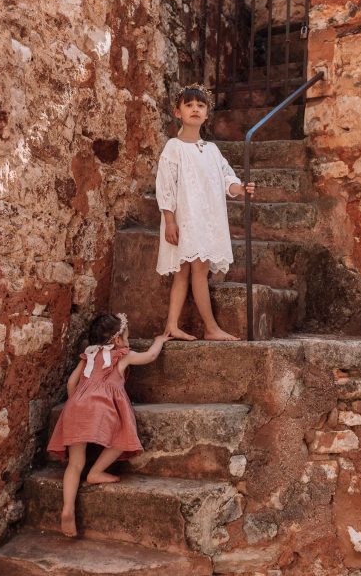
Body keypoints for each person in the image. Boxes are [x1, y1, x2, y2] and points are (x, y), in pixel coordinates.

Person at [47, 313, 171, 537]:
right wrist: (159, 341)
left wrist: (76, 404)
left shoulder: (88, 357)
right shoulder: (122, 355)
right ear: (117, 341)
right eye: (127, 336)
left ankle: (67, 508)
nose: (128, 340)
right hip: (102, 407)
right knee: (123, 437)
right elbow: (150, 357)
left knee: (75, 463)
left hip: (76, 406)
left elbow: (71, 383)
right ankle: (96, 472)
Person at [156, 83, 255, 341]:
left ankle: (172, 325)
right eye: (188, 105)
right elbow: (165, 186)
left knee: (189, 271)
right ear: (178, 112)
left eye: (200, 105)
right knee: (191, 270)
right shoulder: (173, 148)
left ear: (207, 113)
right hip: (183, 219)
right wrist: (169, 221)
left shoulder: (212, 151)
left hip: (204, 219)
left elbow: (226, 179)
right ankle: (210, 328)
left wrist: (240, 188)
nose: (195, 109)